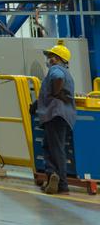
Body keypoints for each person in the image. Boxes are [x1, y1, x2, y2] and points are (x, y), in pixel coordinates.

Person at [38, 43, 76, 195]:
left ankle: (62, 184)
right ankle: (52, 175)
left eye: (50, 56)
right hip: (60, 115)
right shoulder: (68, 73)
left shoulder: (57, 70)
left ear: (58, 59)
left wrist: (55, 92)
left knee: (56, 148)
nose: (48, 59)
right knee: (50, 147)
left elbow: (57, 79)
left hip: (55, 114)